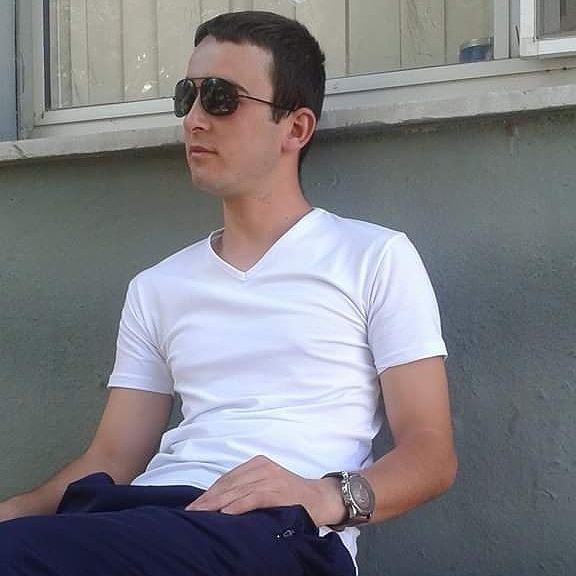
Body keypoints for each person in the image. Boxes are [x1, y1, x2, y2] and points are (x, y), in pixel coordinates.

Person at [0, 10, 457, 576]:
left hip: (282, 532)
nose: (194, 119)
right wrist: (13, 512)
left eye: (221, 98)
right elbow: (113, 457)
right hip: (148, 515)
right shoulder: (157, 286)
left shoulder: (373, 257)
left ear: (296, 128)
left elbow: (430, 452)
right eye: (186, 96)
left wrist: (323, 496)